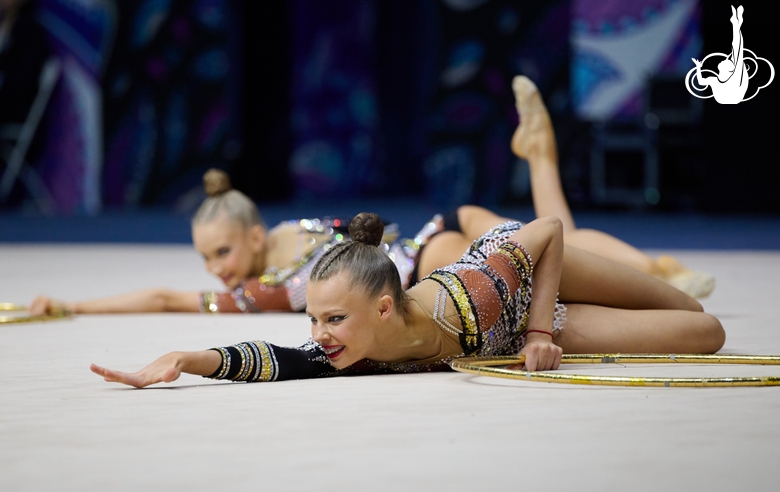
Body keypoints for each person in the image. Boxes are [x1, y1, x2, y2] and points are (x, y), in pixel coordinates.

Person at [90, 211, 725, 388]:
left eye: (333, 319)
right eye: (315, 318)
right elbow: (273, 358)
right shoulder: (352, 348)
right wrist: (185, 356)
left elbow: (547, 235)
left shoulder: (475, 291)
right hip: (513, 330)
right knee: (707, 336)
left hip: (523, 285)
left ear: (385, 309)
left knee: (688, 311)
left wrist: (537, 332)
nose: (320, 334)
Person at [409, 76, 715, 299]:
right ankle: (541, 154)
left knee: (543, 259)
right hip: (430, 243)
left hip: (421, 256)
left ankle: (653, 274)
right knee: (555, 245)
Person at [29, 168, 415, 315]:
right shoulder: (288, 229)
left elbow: (164, 300)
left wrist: (73, 305)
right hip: (415, 254)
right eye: (205, 257)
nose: (214, 269)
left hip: (419, 269)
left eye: (223, 253)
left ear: (255, 236)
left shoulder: (272, 289)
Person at [692, 5, 748, 104]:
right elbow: (701, 82)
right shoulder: (714, 80)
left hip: (732, 100)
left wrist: (736, 26)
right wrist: (698, 67)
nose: (725, 59)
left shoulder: (734, 78)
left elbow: (737, 47)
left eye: (727, 61)